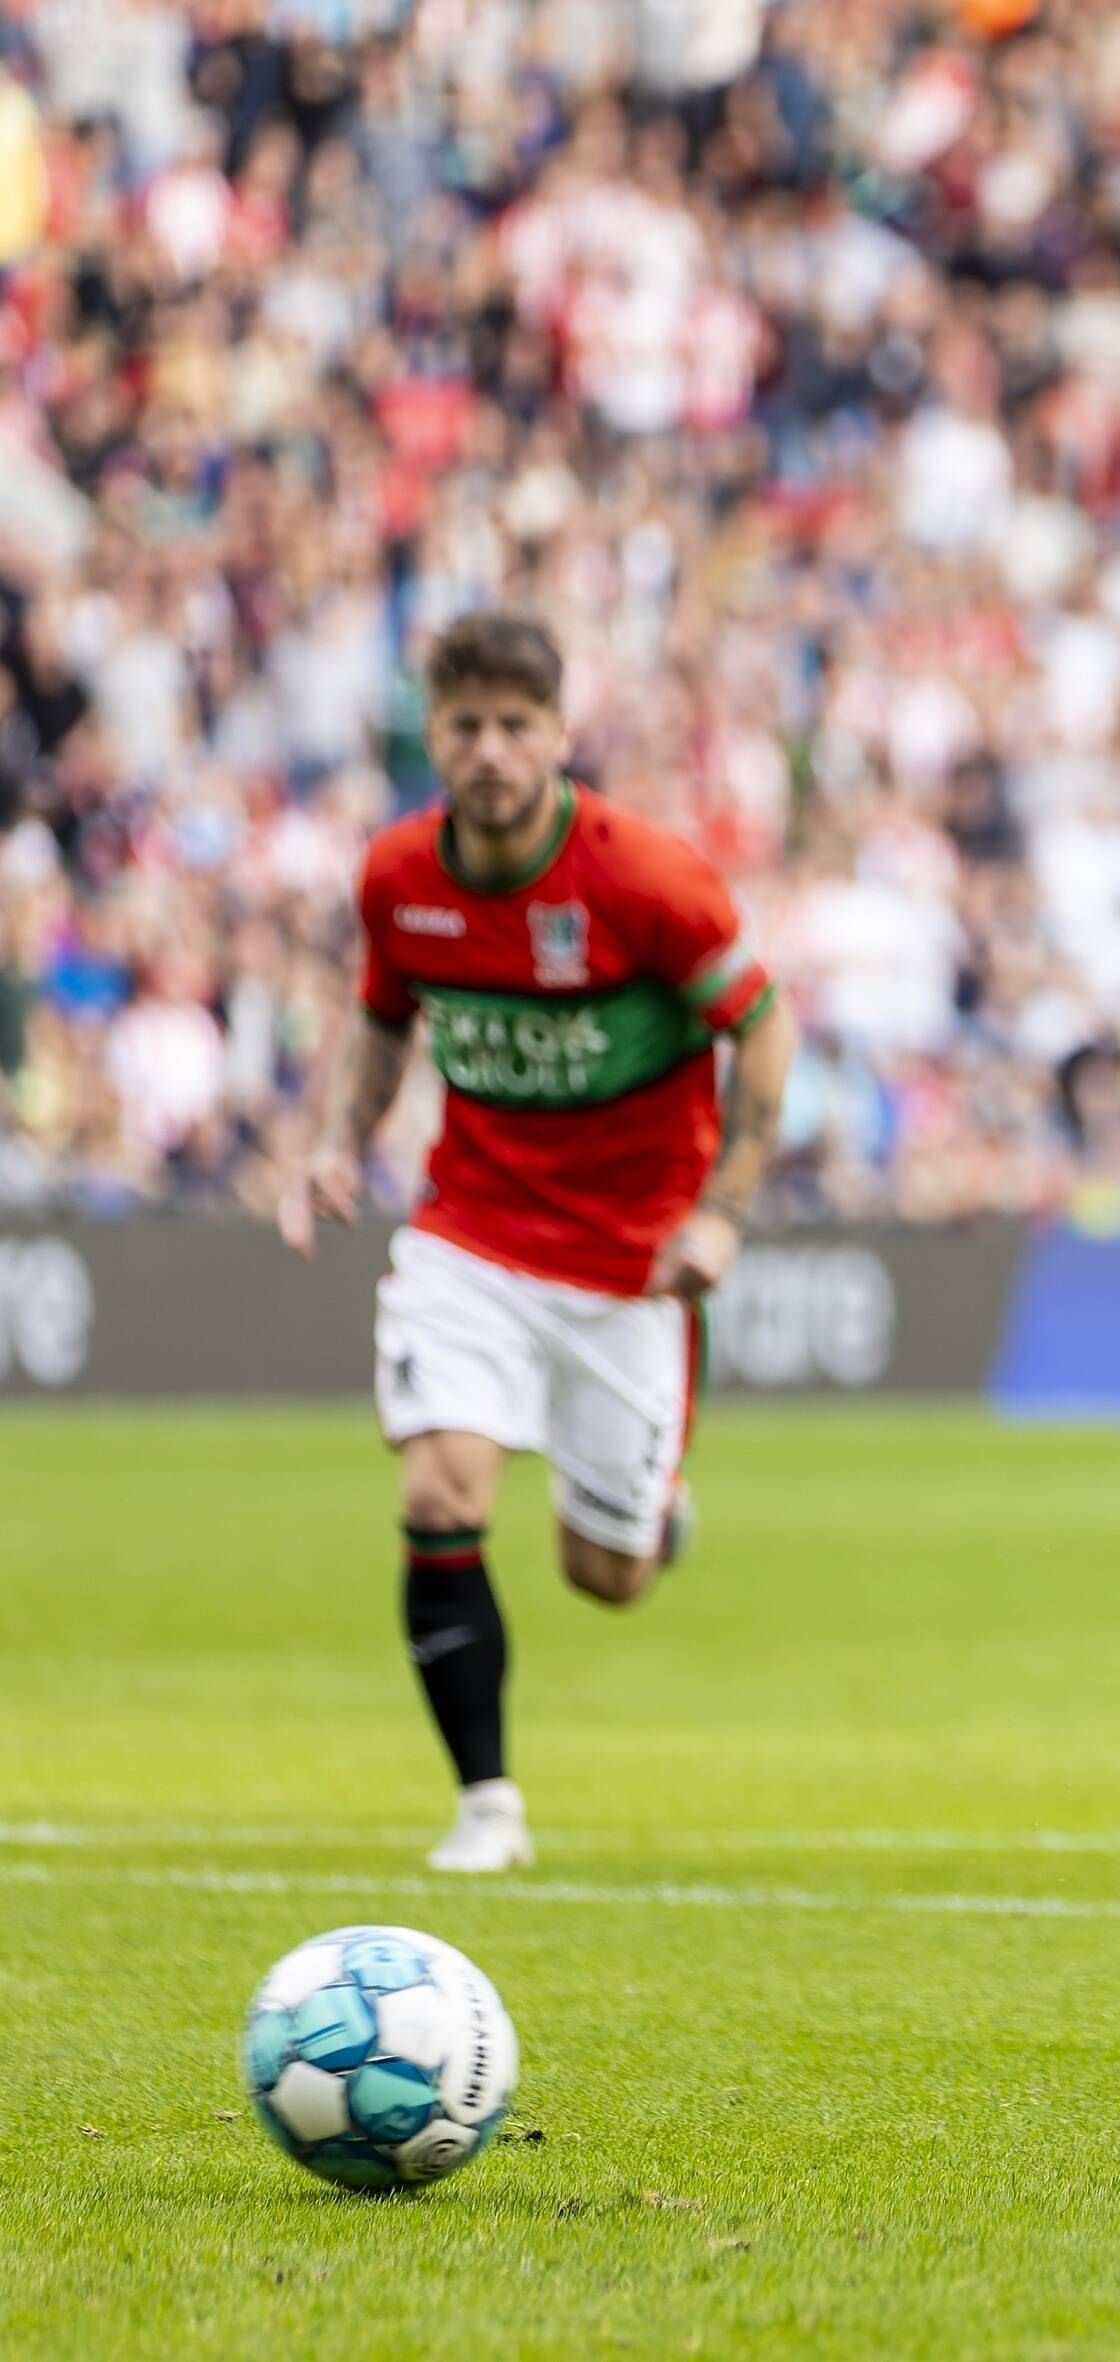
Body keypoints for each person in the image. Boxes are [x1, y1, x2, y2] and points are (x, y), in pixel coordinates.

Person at [278, 611, 796, 1872]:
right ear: (433, 736)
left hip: (629, 1263)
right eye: (466, 726)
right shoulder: (399, 876)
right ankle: (486, 1807)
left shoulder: (644, 880)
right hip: (471, 1236)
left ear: (562, 735)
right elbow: (384, 1020)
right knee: (439, 1486)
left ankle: (650, 1499)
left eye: (518, 726)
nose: (492, 750)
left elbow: (764, 1025)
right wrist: (342, 1140)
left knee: (604, 1577)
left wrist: (722, 1208)